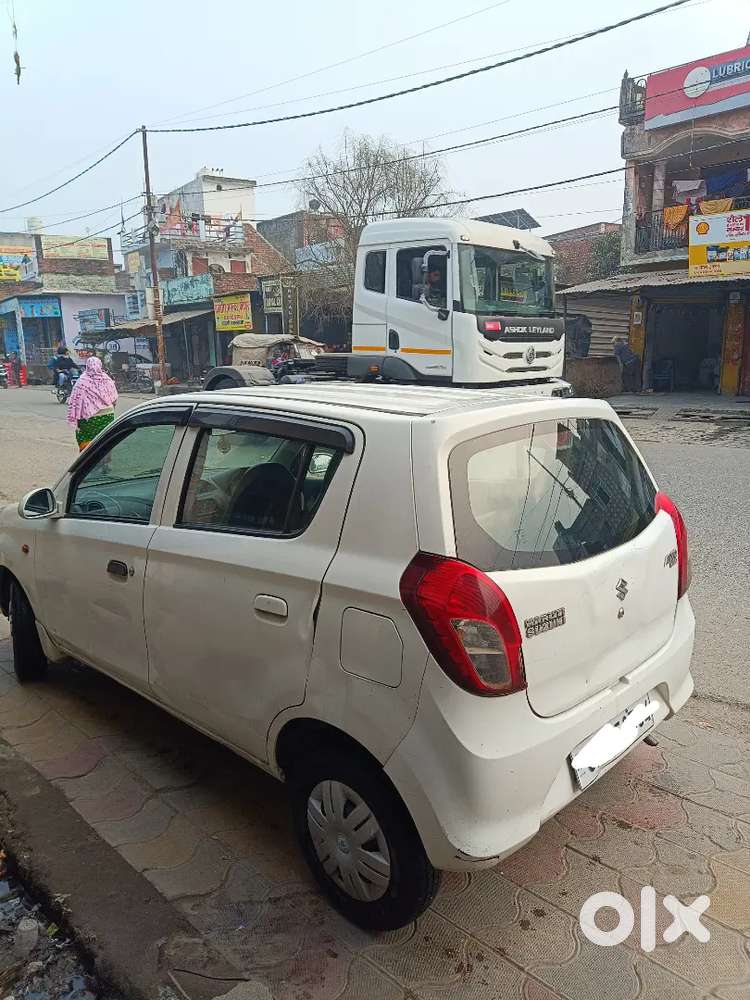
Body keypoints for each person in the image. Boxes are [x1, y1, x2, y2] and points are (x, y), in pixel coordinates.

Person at [67, 356, 118, 451]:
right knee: (106, 440)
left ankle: (89, 460)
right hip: (108, 415)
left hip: (89, 418)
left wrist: (77, 420)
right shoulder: (107, 379)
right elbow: (114, 398)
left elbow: (75, 402)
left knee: (86, 438)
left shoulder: (82, 381)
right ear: (100, 366)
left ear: (87, 366)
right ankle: (105, 460)